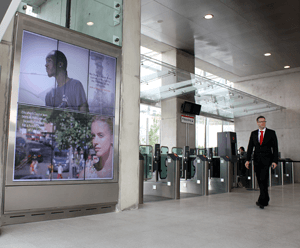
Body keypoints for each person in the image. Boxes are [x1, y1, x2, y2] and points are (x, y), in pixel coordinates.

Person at [245, 116, 278, 209]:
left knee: (263, 178)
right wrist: (247, 160)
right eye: (261, 122)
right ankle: (266, 198)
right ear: (257, 123)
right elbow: (250, 147)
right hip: (257, 160)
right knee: (259, 179)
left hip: (267, 160)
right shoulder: (254, 133)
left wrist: (275, 161)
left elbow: (275, 148)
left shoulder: (271, 133)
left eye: (264, 121)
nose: (263, 123)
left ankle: (262, 201)